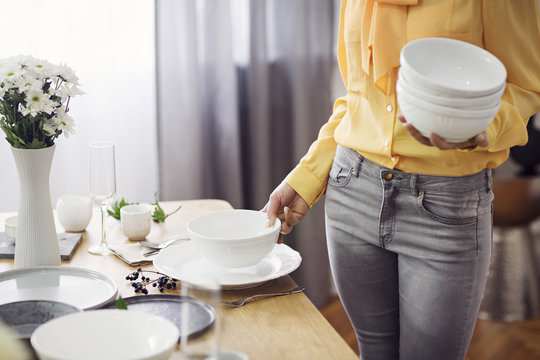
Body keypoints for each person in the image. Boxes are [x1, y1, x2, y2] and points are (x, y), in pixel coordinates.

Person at [263, 1, 540, 359]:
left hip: (445, 208)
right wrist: (306, 176)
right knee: (374, 350)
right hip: (352, 189)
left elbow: (526, 87)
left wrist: (478, 129)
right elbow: (357, 100)